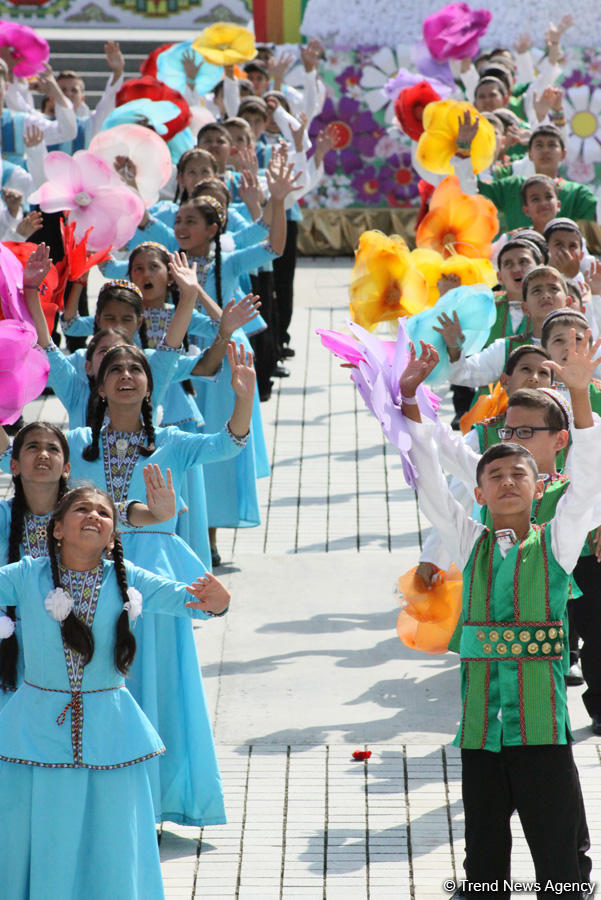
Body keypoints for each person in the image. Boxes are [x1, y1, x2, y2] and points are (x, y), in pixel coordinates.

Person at [398, 332, 601, 899]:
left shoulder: (559, 544)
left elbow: (587, 482)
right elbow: (433, 485)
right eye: (495, 477)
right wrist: (412, 404)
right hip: (482, 728)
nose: (509, 482)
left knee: (558, 849)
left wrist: (580, 395)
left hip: (541, 728)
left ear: (541, 488)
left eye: (520, 475)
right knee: (483, 849)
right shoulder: (469, 543)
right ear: (480, 495)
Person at [0, 484, 229, 899]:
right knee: (38, 836)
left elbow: (186, 599)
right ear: (56, 529)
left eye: (103, 514)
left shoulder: (127, 579)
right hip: (33, 734)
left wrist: (216, 601)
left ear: (112, 535)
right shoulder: (25, 575)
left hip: (112, 734)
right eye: (82, 509)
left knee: (113, 844)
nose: (93, 516)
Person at [0, 421, 177, 711]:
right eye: (33, 447)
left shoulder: (83, 513)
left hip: (79, 647)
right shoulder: (4, 515)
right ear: (15, 465)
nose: (43, 455)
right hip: (14, 648)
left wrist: (158, 513)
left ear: (67, 468)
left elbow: (124, 513)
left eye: (52, 449)